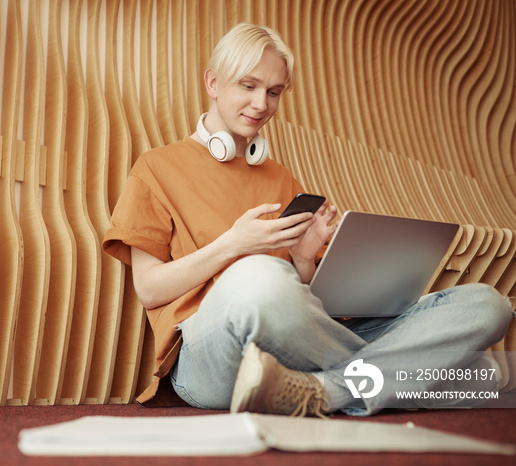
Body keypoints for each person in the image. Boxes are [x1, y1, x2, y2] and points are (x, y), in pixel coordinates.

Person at [102, 23, 513, 416]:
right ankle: (411, 374)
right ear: (213, 83)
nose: (261, 104)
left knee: (486, 305)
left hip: (296, 354)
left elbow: (298, 305)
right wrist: (235, 245)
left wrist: (303, 260)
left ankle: (324, 391)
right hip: (211, 357)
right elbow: (151, 291)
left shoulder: (282, 178)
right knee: (257, 275)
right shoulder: (156, 168)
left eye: (274, 92)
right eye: (248, 85)